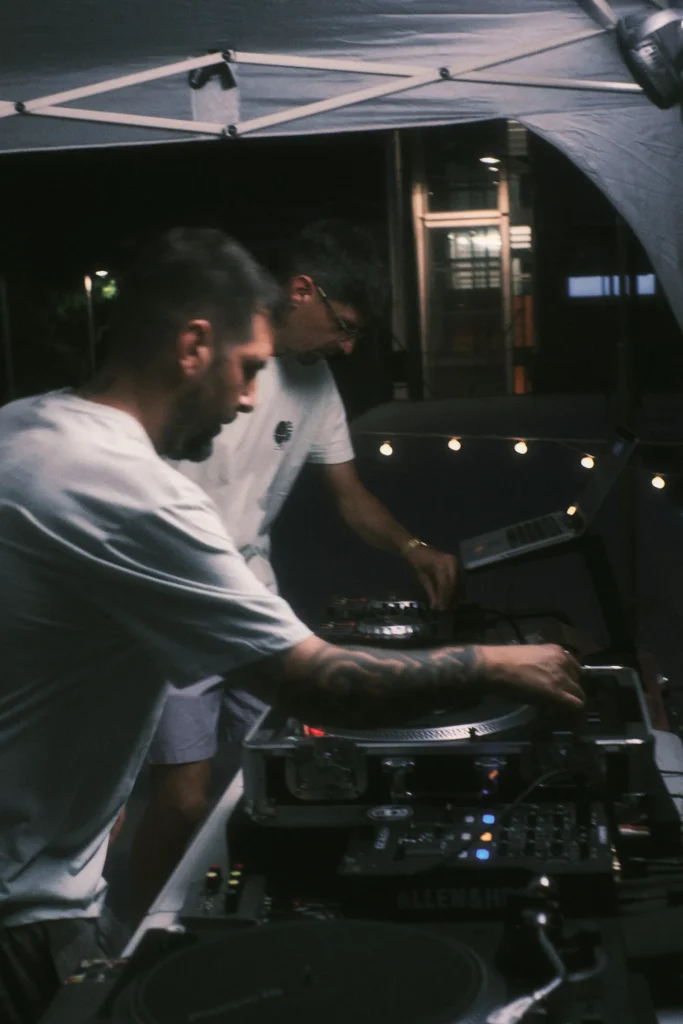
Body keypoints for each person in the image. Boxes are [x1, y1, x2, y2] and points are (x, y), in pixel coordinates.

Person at [0, 227, 582, 1023]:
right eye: (247, 371)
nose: (250, 399)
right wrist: (493, 664)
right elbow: (320, 686)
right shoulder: (127, 489)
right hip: (23, 909)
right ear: (194, 345)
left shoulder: (26, 425)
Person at [131, 221, 462, 911]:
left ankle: (248, 918)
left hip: (256, 601)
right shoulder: (200, 364)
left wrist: (410, 546)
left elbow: (348, 493)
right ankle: (135, 934)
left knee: (285, 776)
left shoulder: (316, 382)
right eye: (342, 325)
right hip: (178, 606)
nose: (345, 345)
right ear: (300, 289)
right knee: (184, 802)